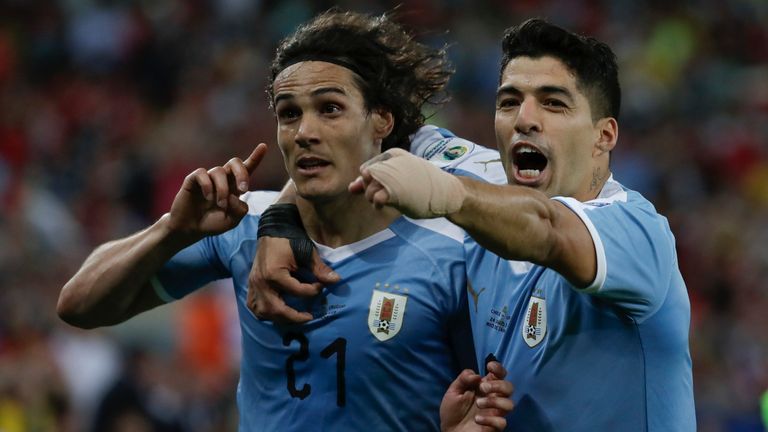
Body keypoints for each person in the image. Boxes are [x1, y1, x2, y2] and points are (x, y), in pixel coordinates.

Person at [56, 10, 512, 432]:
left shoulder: (451, 251)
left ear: (381, 121)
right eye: (289, 114)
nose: (304, 132)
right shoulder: (240, 222)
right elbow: (79, 305)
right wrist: (172, 230)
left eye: (329, 108)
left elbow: (486, 400)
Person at [253, 18, 695, 431]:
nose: (524, 119)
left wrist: (451, 196)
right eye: (509, 102)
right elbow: (342, 137)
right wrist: (279, 218)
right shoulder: (474, 178)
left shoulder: (636, 232)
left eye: (553, 103)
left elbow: (549, 230)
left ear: (605, 135)